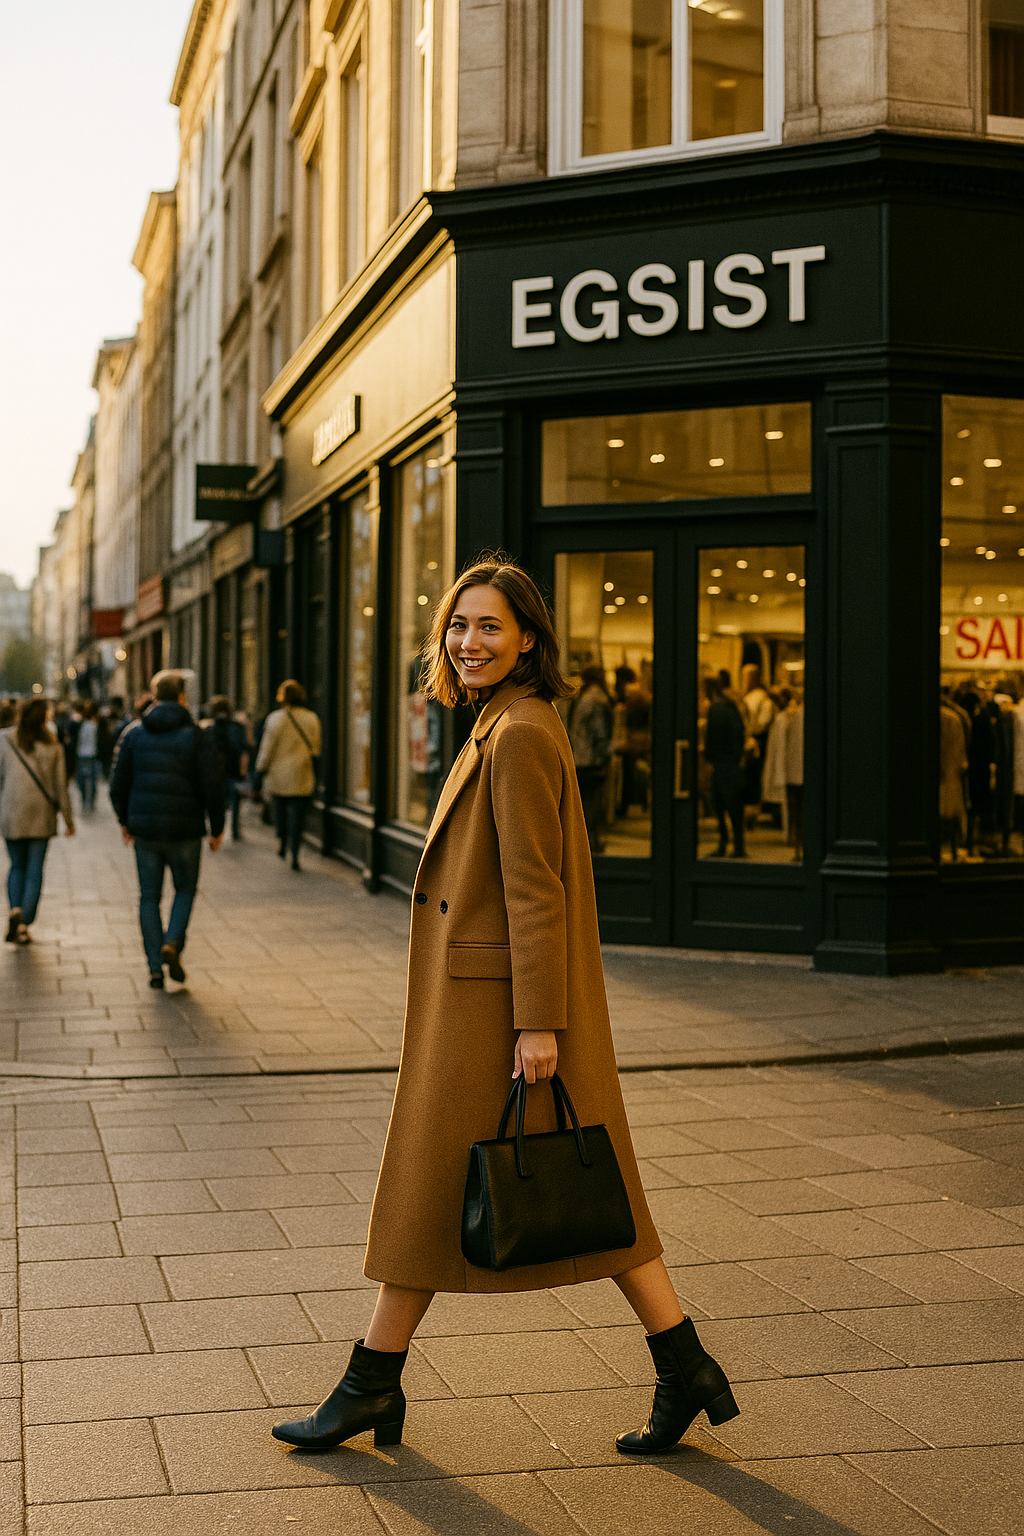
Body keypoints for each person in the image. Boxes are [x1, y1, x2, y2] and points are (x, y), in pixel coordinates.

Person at [271, 557, 738, 1458]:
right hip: (489, 1002)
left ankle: (371, 1385)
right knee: (575, 1191)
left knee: (438, 1195)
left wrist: (538, 1023)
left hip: (497, 1014)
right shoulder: (506, 722)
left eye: (489, 627)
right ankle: (684, 1366)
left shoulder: (520, 732)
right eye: (457, 626)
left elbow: (536, 889)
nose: (469, 642)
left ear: (528, 638)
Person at [108, 670, 225, 989]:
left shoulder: (133, 734)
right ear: (183, 697)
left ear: (154, 696)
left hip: (145, 829)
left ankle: (155, 968)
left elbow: (117, 783)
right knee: (184, 890)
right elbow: (213, 784)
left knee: (149, 897)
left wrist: (124, 821)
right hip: (186, 829)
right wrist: (217, 827)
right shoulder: (197, 735)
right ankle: (172, 942)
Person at [0, 698, 75, 944]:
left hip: (12, 812)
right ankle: (24, 923)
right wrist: (68, 818)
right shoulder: (52, 745)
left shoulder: (4, 740)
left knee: (16, 866)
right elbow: (60, 786)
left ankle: (14, 910)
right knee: (34, 869)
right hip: (42, 815)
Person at [255, 680, 322, 870]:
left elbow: (266, 749)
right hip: (302, 773)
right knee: (298, 817)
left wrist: (260, 770)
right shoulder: (312, 718)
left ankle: (283, 843)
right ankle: (294, 853)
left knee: (280, 813)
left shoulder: (275, 718)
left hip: (279, 775)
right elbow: (316, 749)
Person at [567, 664, 612, 853]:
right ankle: (591, 843)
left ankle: (583, 844)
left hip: (578, 756)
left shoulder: (582, 697)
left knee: (583, 803)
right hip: (590, 759)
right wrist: (603, 756)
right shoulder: (597, 699)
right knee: (592, 802)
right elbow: (600, 731)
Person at [704, 674, 747, 858]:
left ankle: (726, 843)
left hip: (723, 762)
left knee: (722, 804)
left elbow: (712, 737)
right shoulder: (729, 706)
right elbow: (739, 731)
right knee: (731, 805)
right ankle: (737, 845)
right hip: (729, 762)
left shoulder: (716, 708)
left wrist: (711, 756)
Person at [205, 697, 249, 841]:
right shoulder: (237, 726)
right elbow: (244, 750)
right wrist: (243, 770)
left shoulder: (208, 728)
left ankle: (216, 828)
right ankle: (235, 829)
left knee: (216, 797)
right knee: (235, 797)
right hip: (233, 768)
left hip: (215, 769)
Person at [75, 699, 99, 811]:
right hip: (91, 753)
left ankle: (86, 800)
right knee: (91, 779)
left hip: (84, 753)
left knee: (84, 779)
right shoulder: (93, 725)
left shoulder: (82, 725)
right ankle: (90, 801)